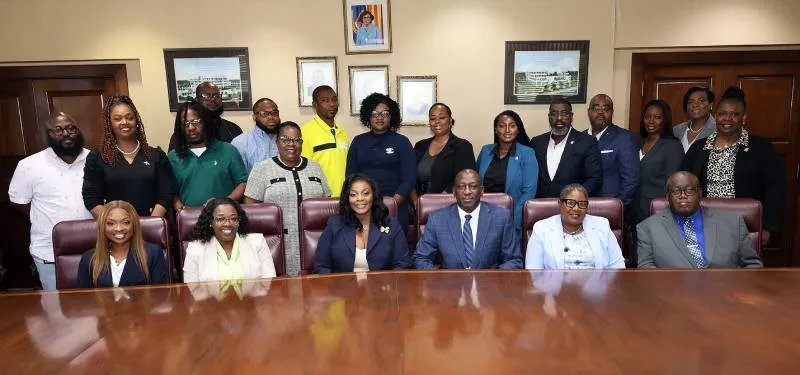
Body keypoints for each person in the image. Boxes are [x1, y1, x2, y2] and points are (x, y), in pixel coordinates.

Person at [681, 87, 785, 246]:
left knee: (741, 268)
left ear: (744, 118)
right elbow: (684, 182)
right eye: (722, 114)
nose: (727, 119)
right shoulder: (700, 147)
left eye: (734, 114)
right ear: (716, 117)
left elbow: (774, 188)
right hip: (703, 224)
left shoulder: (761, 148)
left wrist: (768, 227)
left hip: (745, 226)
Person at [8, 112, 94, 290]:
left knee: (96, 307)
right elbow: (19, 202)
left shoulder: (95, 160)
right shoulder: (29, 165)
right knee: (56, 309)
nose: (66, 133)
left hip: (94, 248)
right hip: (49, 250)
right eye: (58, 130)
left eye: (71, 128)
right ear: (47, 135)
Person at [244, 122, 331, 276]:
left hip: (315, 244)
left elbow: (326, 205)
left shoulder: (315, 167)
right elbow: (250, 210)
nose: (292, 144)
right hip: (277, 247)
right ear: (277, 143)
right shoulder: (261, 169)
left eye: (297, 140)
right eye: (285, 139)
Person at [637, 171, 762, 268]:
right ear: (667, 196)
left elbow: (752, 265)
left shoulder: (733, 222)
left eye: (690, 190)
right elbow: (647, 271)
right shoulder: (647, 228)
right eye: (676, 191)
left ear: (700, 193)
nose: (683, 196)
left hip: (725, 293)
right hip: (674, 295)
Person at [82, 95, 173, 218]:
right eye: (118, 119)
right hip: (115, 230)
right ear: (110, 123)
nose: (124, 122)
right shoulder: (97, 157)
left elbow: (166, 194)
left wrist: (151, 223)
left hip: (151, 226)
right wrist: (116, 223)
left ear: (136, 121)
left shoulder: (156, 155)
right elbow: (91, 198)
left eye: (129, 118)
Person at [413, 169, 522, 270]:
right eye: (461, 187)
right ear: (454, 191)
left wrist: (494, 281)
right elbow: (421, 258)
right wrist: (441, 281)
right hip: (449, 287)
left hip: (489, 287)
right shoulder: (437, 219)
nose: (467, 191)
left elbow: (513, 260)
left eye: (473, 186)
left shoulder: (501, 217)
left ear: (482, 190)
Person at [314, 174, 409, 273]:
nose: (360, 198)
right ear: (347, 198)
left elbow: (402, 265)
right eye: (353, 194)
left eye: (366, 193)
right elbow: (321, 267)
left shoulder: (392, 225)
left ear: (374, 195)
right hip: (342, 287)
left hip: (383, 286)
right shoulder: (334, 225)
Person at [346, 93, 415, 229]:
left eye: (385, 113)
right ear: (368, 116)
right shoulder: (358, 141)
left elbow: (409, 179)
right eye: (374, 113)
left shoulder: (402, 142)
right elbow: (350, 176)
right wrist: (363, 202)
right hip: (364, 206)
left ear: (391, 116)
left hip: (395, 207)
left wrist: (393, 203)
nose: (380, 117)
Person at [169, 101, 248, 209]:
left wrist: (224, 202)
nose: (191, 127)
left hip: (223, 217)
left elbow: (242, 183)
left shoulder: (228, 150)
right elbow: (169, 189)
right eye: (185, 124)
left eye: (195, 121)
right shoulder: (173, 156)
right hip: (188, 219)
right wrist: (177, 203)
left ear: (206, 122)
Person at [525, 184, 625, 269]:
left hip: (596, 289)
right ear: (560, 204)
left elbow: (618, 266)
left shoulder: (602, 225)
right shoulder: (542, 228)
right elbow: (533, 271)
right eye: (570, 203)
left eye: (582, 204)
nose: (576, 208)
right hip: (554, 290)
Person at [76, 201, 169, 288]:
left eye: (126, 222)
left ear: (134, 225)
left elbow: (160, 296)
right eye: (110, 223)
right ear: (102, 227)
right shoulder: (89, 258)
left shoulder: (153, 253)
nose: (119, 228)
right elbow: (84, 299)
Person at [183, 198, 277, 282]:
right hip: (210, 301)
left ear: (239, 221)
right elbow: (192, 290)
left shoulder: (257, 242)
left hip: (254, 300)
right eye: (220, 219)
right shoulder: (195, 249)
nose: (228, 223)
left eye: (233, 218)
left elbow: (270, 283)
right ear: (211, 222)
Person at [476, 110, 537, 233]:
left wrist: (513, 219)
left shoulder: (527, 153)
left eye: (512, 126)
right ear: (495, 129)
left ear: (518, 129)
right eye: (502, 126)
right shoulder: (485, 150)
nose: (507, 130)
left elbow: (528, 192)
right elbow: (476, 184)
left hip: (512, 218)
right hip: (483, 216)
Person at [531, 97, 603, 198]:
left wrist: (574, 199)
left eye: (564, 113)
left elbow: (594, 179)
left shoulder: (587, 142)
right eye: (554, 114)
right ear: (549, 116)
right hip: (541, 205)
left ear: (571, 116)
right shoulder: (537, 142)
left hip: (572, 207)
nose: (559, 118)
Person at [585, 94, 639, 209]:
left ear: (612, 113)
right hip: (581, 207)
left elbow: (630, 180)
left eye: (606, 109)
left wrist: (617, 207)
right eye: (596, 108)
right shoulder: (580, 138)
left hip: (610, 207)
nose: (600, 112)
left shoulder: (624, 138)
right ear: (589, 112)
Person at [635, 99, 684, 223]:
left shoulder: (672, 146)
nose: (651, 121)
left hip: (659, 211)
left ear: (664, 120)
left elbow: (673, 183)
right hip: (634, 210)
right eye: (647, 117)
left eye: (657, 117)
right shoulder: (637, 142)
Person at [413, 103, 476, 196]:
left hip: (448, 202)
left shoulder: (462, 146)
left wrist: (440, 200)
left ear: (450, 121)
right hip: (419, 202)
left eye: (442, 118)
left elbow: (465, 178)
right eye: (433, 118)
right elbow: (410, 176)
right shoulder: (420, 145)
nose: (437, 121)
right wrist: (416, 202)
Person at [301, 85, 350, 197]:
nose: (332, 104)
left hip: (344, 198)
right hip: (320, 199)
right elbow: (302, 169)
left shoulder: (342, 132)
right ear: (315, 105)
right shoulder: (305, 132)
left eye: (334, 99)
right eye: (325, 100)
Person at [169, 82, 242, 149]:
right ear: (196, 100)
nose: (213, 99)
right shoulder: (187, 132)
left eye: (216, 96)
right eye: (206, 96)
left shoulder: (233, 129)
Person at [231, 98, 281, 173]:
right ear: (254, 117)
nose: (271, 117)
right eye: (264, 113)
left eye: (274, 113)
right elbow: (239, 178)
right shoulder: (240, 142)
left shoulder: (288, 140)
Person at [673, 86, 716, 152]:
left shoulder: (718, 130)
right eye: (690, 102)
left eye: (701, 101)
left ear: (711, 105)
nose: (695, 105)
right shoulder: (676, 130)